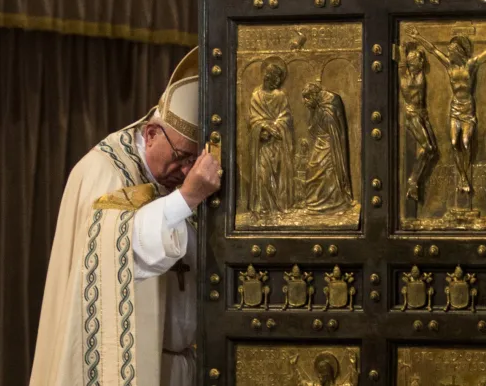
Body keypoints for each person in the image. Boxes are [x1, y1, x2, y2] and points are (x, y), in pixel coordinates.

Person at [29, 47, 221, 386]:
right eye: (181, 157)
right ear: (150, 133)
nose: (188, 171)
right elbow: (120, 255)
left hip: (188, 364)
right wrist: (188, 197)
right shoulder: (106, 172)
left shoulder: (173, 177)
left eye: (196, 161)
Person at [408, 24, 486, 194]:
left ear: (459, 51)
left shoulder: (470, 65)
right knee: (454, 143)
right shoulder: (449, 66)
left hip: (468, 110)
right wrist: (418, 37)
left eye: (452, 49)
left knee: (466, 143)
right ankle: (463, 178)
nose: (449, 52)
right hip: (455, 108)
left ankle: (465, 174)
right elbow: (432, 50)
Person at [248, 56, 295, 214]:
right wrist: (263, 128)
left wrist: (276, 127)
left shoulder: (280, 96)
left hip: (278, 143)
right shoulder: (256, 96)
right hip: (263, 143)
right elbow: (253, 120)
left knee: (278, 176)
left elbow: (286, 116)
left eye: (275, 77)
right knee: (263, 175)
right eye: (268, 75)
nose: (268, 78)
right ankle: (264, 206)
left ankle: (279, 206)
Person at [301, 82, 354, 213]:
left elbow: (334, 134)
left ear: (314, 96)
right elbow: (312, 128)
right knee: (312, 169)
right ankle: (315, 201)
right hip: (320, 144)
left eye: (307, 98)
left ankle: (334, 202)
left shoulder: (328, 109)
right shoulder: (318, 108)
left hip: (328, 146)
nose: (304, 102)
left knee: (326, 171)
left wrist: (332, 151)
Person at [397, 42, 438, 201]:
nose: (422, 62)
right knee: (427, 147)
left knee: (433, 150)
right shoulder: (405, 76)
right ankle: (413, 181)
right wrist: (402, 49)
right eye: (418, 60)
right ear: (411, 63)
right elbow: (401, 64)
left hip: (423, 114)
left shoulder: (420, 74)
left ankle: (415, 180)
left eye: (421, 60)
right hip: (412, 114)